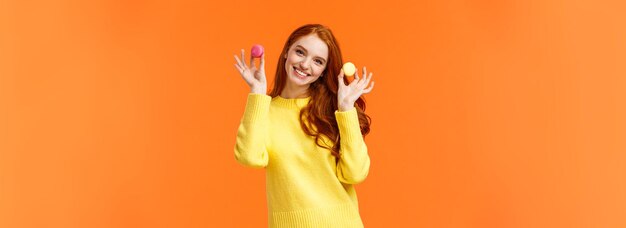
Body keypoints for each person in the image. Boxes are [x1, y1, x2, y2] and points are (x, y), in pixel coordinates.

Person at [233, 24, 375, 227]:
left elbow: (355, 173)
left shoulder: (333, 112)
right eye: (300, 52)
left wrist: (346, 109)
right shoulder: (265, 110)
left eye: (318, 61)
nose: (305, 65)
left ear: (324, 71)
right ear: (287, 51)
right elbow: (249, 157)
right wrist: (257, 93)